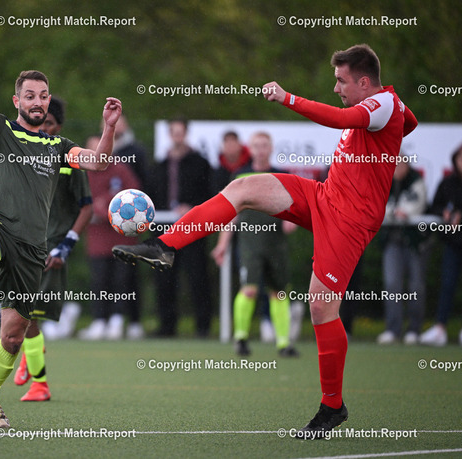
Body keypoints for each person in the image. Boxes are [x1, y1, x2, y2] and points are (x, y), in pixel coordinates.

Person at [114, 44, 417, 438]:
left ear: (364, 81)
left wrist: (286, 97)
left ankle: (332, 406)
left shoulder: (381, 104)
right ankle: (164, 246)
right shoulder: (391, 106)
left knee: (321, 307)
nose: (336, 88)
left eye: (341, 81)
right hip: (325, 196)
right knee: (242, 188)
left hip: (351, 220)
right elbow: (409, 123)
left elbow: (341, 118)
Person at [0, 70, 121, 429]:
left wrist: (109, 127)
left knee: (14, 337)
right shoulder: (0, 128)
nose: (38, 102)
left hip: (32, 248)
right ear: (17, 101)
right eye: (30, 96)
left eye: (43, 96)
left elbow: (99, 162)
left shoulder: (58, 147)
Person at [10, 97, 94, 402]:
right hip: (24, 243)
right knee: (10, 314)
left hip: (52, 247)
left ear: (59, 126)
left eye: (49, 123)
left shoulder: (69, 159)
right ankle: (29, 356)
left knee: (28, 314)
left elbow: (87, 207)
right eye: (40, 121)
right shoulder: (24, 156)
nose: (43, 127)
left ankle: (40, 383)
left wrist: (66, 245)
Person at [211, 132, 298, 357]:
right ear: (250, 149)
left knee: (279, 292)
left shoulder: (282, 176)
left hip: (276, 245)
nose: (261, 150)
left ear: (271, 148)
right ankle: (241, 338)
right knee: (249, 289)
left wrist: (292, 220)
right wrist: (222, 244)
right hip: (250, 244)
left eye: (264, 145)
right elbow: (230, 214)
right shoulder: (240, 176)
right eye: (256, 146)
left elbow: (294, 209)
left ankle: (284, 343)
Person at [148, 118, 213, 337]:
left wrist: (192, 207)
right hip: (164, 230)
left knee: (197, 276)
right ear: (169, 135)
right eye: (173, 132)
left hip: (192, 228)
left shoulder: (200, 163)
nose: (177, 136)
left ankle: (203, 327)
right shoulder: (160, 165)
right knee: (164, 277)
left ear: (186, 133)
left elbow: (210, 194)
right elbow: (152, 194)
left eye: (180, 132)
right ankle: (167, 326)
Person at [79, 135, 145, 340]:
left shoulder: (121, 169)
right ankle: (99, 321)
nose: (95, 154)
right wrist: (93, 207)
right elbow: (77, 199)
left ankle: (117, 320)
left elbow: (135, 194)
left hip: (121, 237)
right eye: (91, 150)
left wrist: (108, 204)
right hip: (97, 238)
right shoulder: (83, 174)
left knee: (121, 280)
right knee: (99, 280)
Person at [420, 142, 462, 347]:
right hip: (453, 242)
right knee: (448, 283)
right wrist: (444, 213)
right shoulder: (447, 183)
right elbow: (434, 207)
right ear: (455, 161)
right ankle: (440, 327)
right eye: (461, 158)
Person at [377, 157, 428, 345]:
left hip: (414, 242)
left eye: (400, 164)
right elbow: (378, 207)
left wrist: (402, 212)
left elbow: (415, 206)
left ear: (407, 164)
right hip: (392, 240)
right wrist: (394, 212)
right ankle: (393, 329)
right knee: (392, 284)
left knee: (416, 286)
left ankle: (414, 330)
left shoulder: (416, 181)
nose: (397, 168)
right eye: (394, 164)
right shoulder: (385, 182)